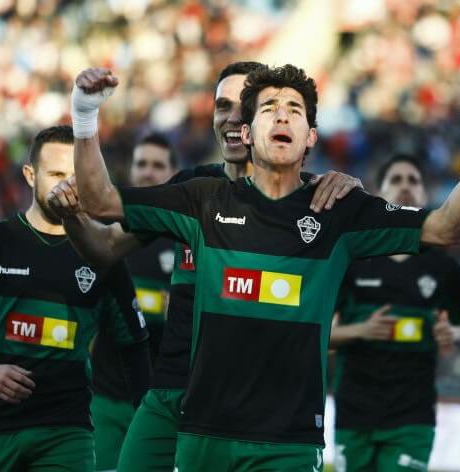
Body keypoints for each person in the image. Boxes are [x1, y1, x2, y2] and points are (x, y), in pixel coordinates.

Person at [64, 63, 460, 470]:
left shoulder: (336, 207)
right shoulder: (198, 198)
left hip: (286, 433)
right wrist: (85, 116)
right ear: (247, 132)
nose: (280, 117)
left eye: (294, 110)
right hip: (196, 413)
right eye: (267, 109)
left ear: (311, 136)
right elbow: (101, 207)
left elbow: (448, 227)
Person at [52, 61, 364, 472]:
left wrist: (351, 189)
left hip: (254, 409)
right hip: (171, 391)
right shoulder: (193, 188)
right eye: (221, 106)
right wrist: (72, 212)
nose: (232, 118)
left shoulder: (314, 201)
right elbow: (106, 247)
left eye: (242, 106)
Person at [0, 126, 150, 472]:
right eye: (56, 174)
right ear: (30, 175)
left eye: (75, 176)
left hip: (68, 430)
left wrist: (148, 424)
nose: (67, 184)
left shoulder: (103, 256)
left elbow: (135, 346)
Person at [331, 154, 460, 472]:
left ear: (425, 194)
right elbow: (317, 334)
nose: (405, 187)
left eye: (414, 181)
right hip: (354, 416)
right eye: (396, 180)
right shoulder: (352, 260)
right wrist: (361, 331)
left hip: (413, 418)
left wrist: (453, 334)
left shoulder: (444, 267)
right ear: (379, 194)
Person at [89, 131, 177, 472]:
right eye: (142, 164)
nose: (148, 172)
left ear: (174, 173)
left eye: (158, 165)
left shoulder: (186, 236)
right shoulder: (107, 237)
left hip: (164, 402)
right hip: (107, 399)